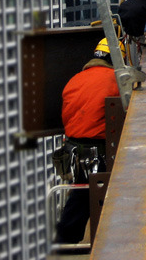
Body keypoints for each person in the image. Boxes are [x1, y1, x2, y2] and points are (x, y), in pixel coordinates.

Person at [54, 38, 121, 244]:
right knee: (88, 200)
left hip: (74, 152)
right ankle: (68, 239)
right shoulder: (116, 80)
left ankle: (66, 238)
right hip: (98, 153)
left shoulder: (75, 80)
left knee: (80, 196)